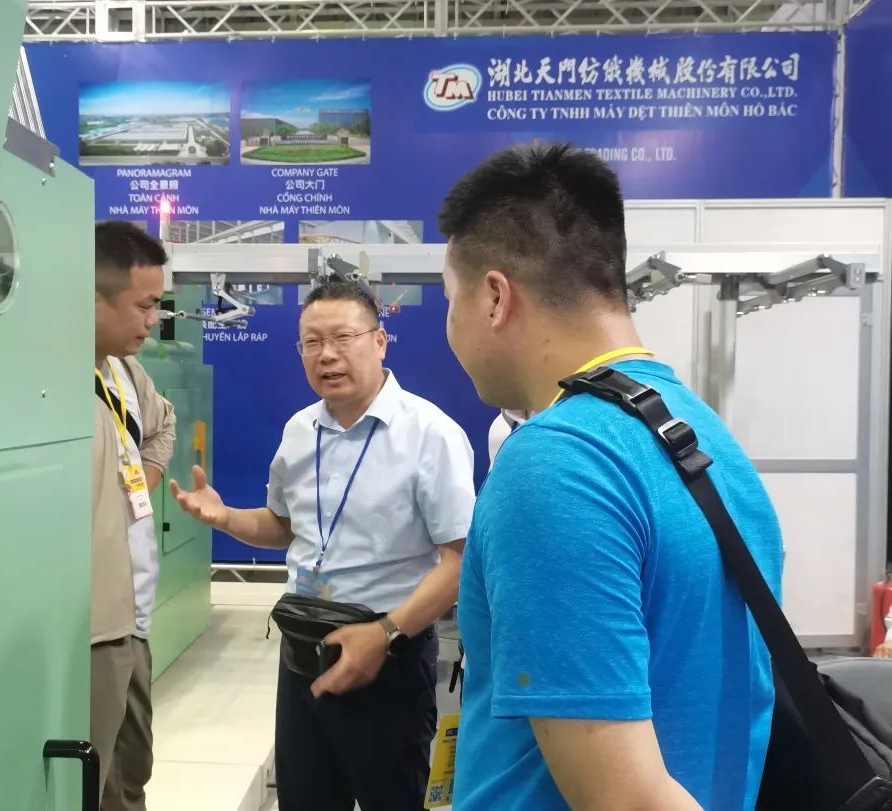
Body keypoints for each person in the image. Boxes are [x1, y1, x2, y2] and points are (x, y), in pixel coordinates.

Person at [438, 143, 784, 811]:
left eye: (451, 299)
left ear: (494, 297)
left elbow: (627, 799)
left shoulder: (554, 464)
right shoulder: (707, 438)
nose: (449, 326)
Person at [169, 279, 476, 811]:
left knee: (391, 797)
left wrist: (385, 633)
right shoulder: (299, 429)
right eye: (311, 342)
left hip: (388, 653)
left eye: (342, 338)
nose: (326, 355)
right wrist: (226, 518)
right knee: (305, 797)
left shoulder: (431, 434)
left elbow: (460, 559)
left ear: (379, 341)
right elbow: (283, 526)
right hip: (303, 647)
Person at [91, 221, 176, 811]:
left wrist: (140, 479)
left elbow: (163, 423)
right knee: (88, 778)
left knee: (130, 772)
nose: (153, 320)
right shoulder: (44, 385)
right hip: (92, 628)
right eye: (144, 305)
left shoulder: (124, 372)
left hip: (135, 616)